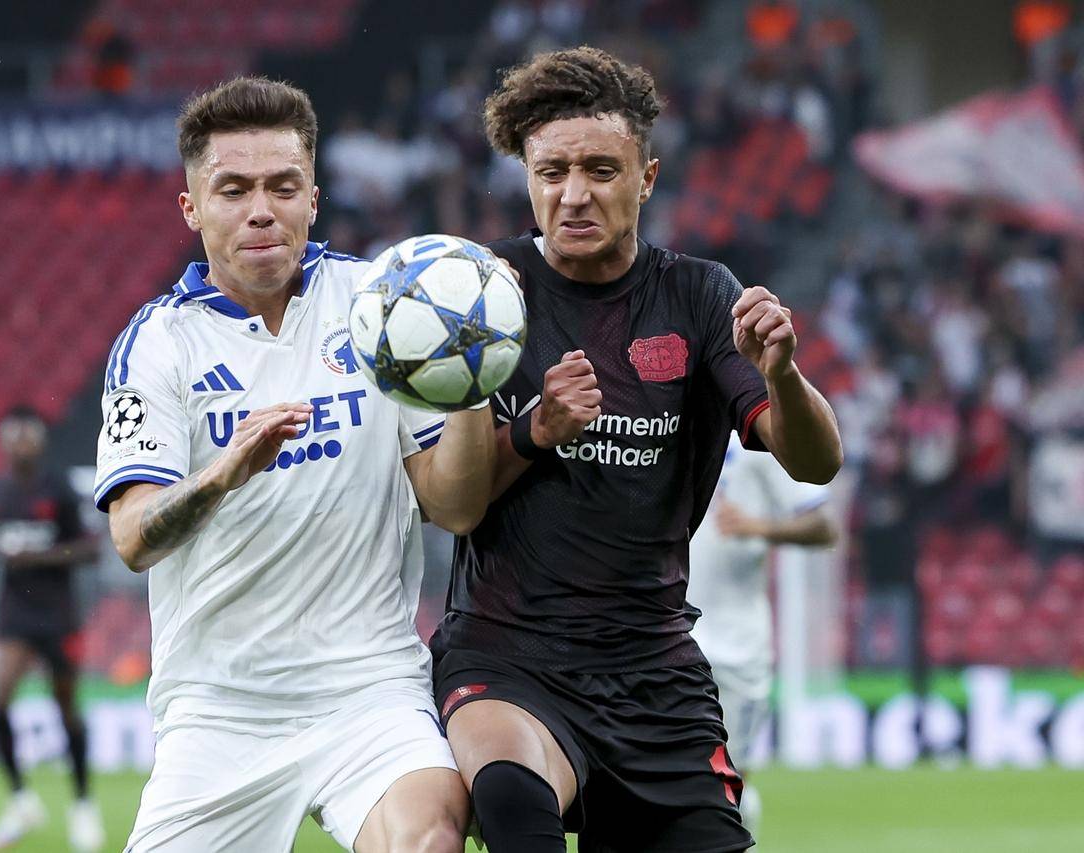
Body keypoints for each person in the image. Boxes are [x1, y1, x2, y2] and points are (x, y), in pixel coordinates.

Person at [430, 47, 843, 853]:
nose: (573, 194)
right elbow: (456, 505)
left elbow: (815, 462)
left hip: (654, 668)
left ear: (646, 178)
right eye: (551, 172)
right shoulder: (484, 290)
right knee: (512, 797)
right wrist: (535, 431)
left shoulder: (699, 294)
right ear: (527, 178)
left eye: (600, 170)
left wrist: (783, 375)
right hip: (508, 655)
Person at [96, 77, 493, 852]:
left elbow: (454, 507)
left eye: (282, 187)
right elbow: (133, 537)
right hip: (219, 708)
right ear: (191, 208)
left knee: (430, 839)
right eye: (233, 189)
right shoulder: (157, 343)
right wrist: (224, 474)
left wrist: (473, 386)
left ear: (313, 199)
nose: (260, 209)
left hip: (369, 691)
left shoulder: (380, 304)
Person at [686, 433, 838, 834]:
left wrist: (756, 526)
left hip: (737, 646)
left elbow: (824, 526)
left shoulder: (758, 437)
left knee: (728, 785)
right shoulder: (665, 422)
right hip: (670, 635)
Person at [0, 405, 105, 852]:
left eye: (28, 434)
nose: (21, 442)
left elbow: (90, 550)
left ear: (41, 440)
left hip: (56, 614)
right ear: (3, 441)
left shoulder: (60, 489)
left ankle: (83, 805)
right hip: (15, 614)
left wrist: (39, 557)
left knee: (66, 710)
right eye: (13, 434)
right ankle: (20, 802)